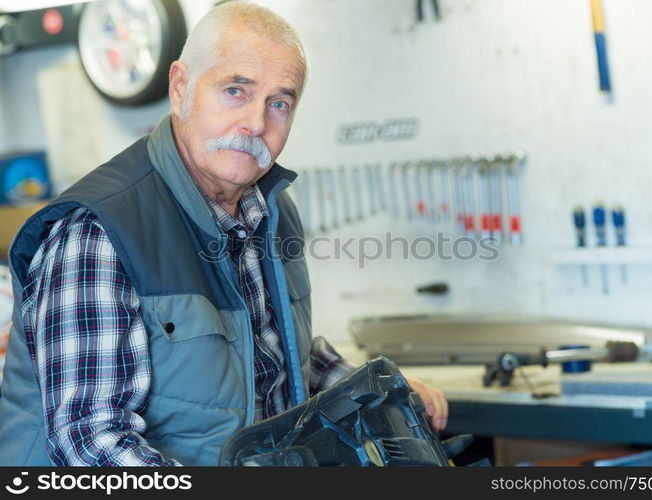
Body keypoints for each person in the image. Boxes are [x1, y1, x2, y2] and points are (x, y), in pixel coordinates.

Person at [0, 1, 447, 466]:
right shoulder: (99, 234)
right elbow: (90, 441)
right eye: (236, 90)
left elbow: (271, 358)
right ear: (180, 88)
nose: (256, 123)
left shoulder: (269, 209)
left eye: (279, 103)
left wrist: (373, 393)